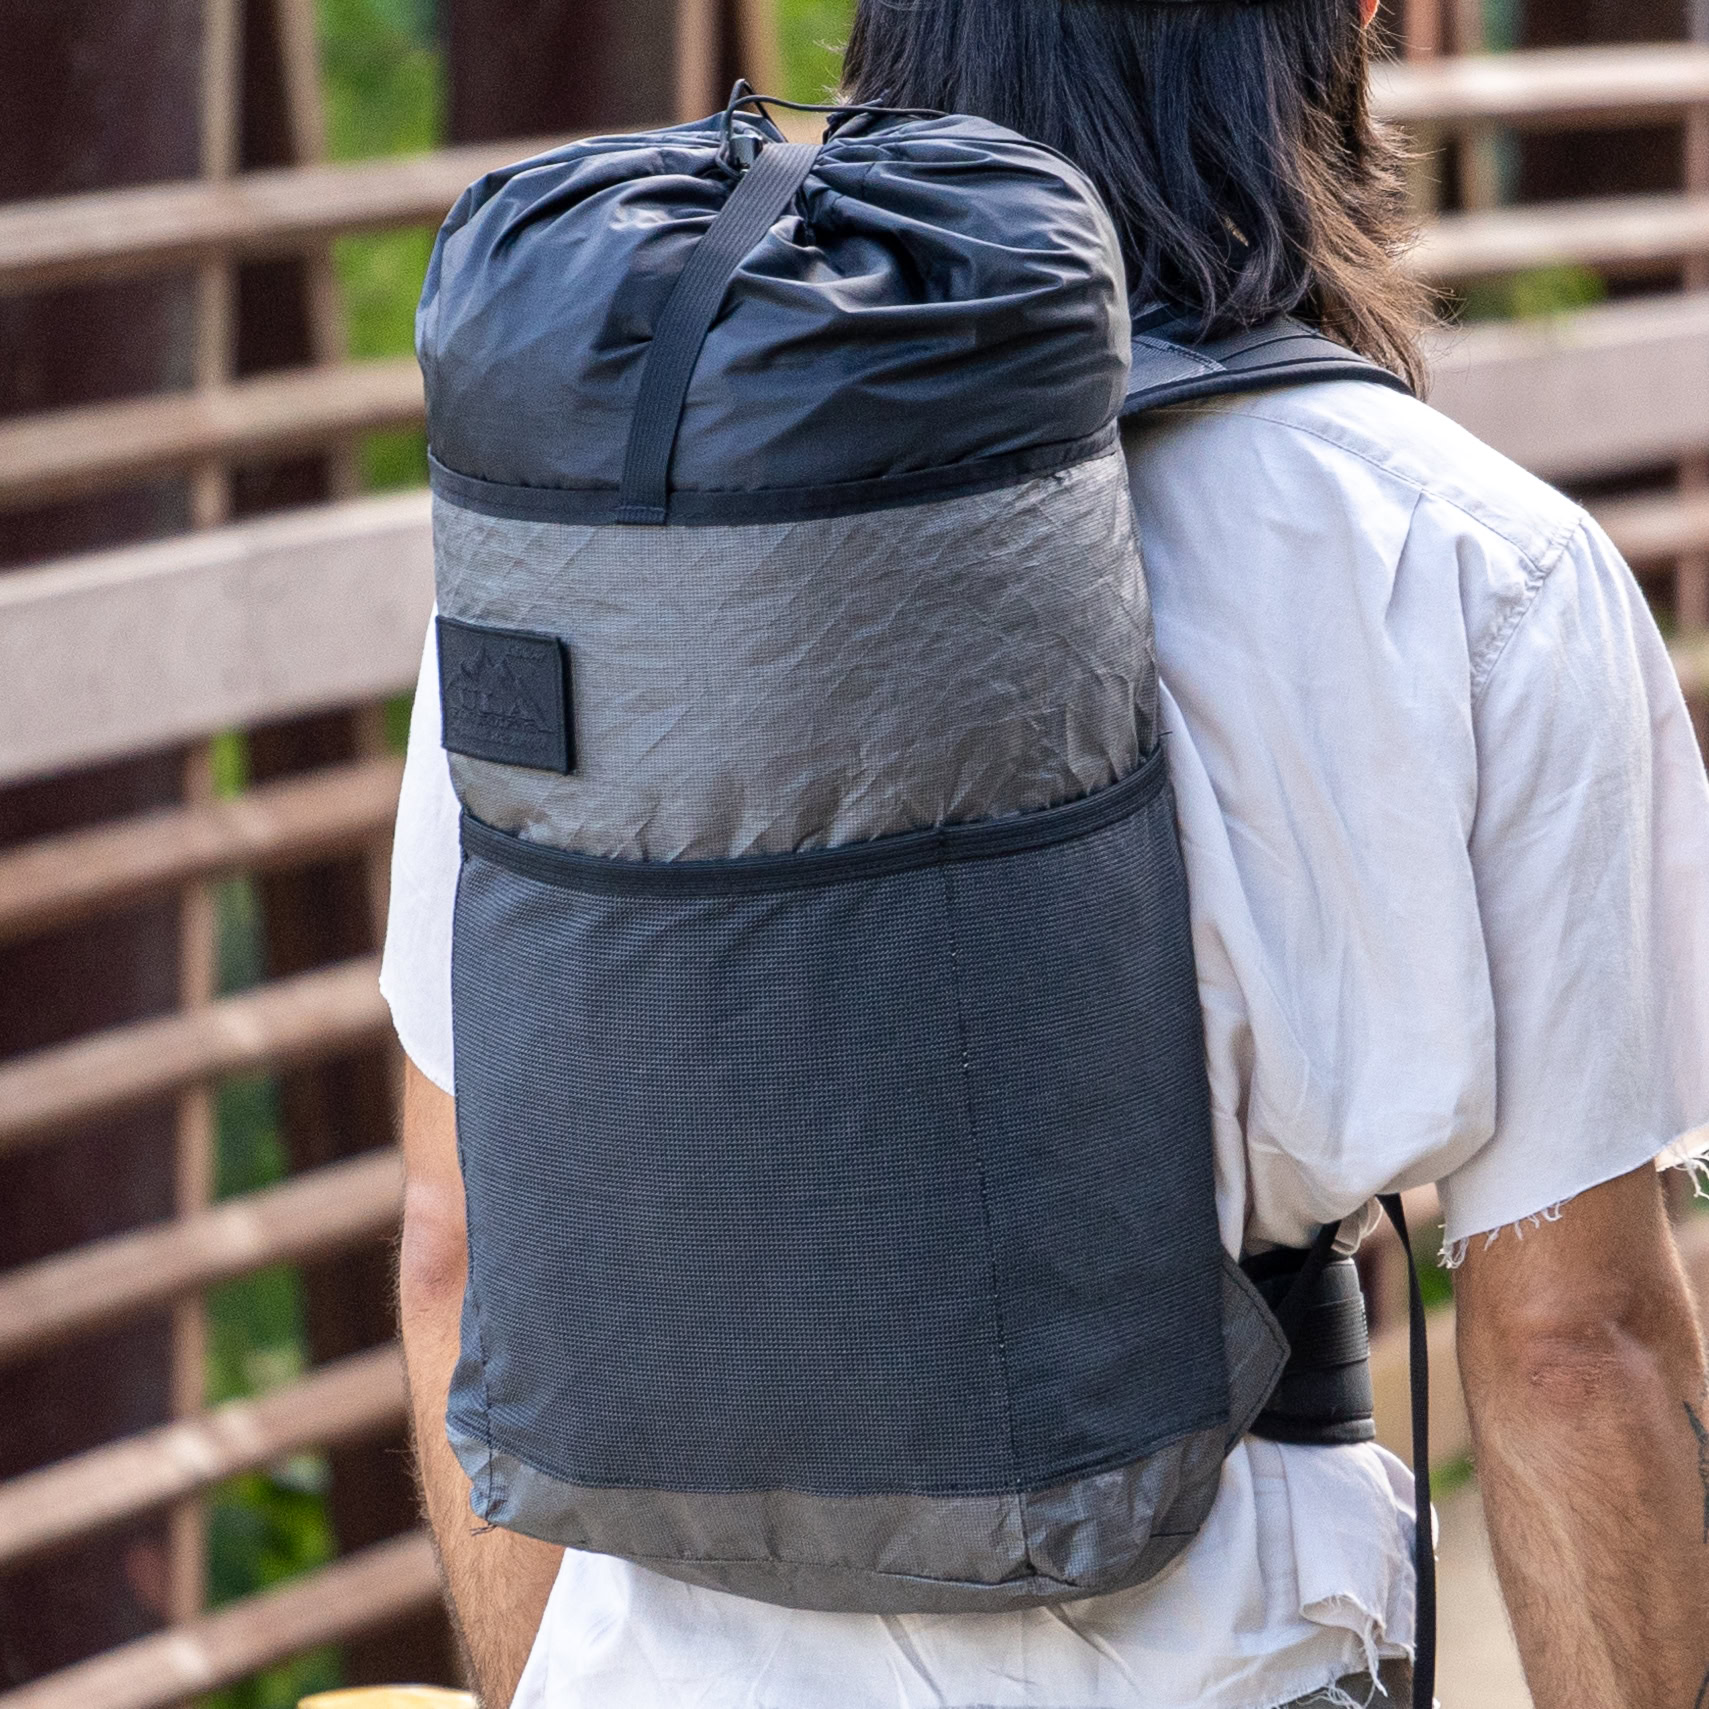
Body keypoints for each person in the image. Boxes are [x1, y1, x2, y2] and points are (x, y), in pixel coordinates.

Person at [381, 0, 1709, 1703]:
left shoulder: (585, 541)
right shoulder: (1463, 564)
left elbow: (461, 1244)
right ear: (1357, 23)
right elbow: (1569, 1346)